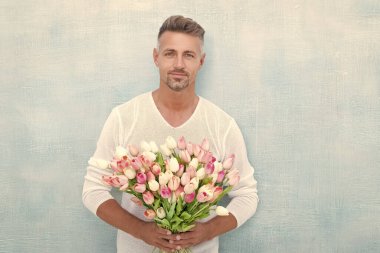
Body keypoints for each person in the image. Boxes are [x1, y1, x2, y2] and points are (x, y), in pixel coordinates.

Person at [82, 15, 258, 253]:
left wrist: (207, 230)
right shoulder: (124, 117)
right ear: (156, 58)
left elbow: (247, 196)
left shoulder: (221, 125)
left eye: (189, 55)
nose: (179, 64)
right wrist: (141, 230)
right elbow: (92, 191)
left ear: (201, 61)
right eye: (169, 53)